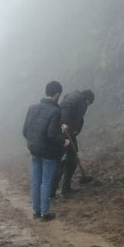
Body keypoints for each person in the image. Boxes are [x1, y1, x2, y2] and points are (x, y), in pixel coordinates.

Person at [23, 81, 71, 222]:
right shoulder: (55, 111)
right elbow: (51, 134)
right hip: (48, 153)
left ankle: (36, 211)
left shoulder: (32, 108)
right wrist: (63, 141)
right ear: (57, 94)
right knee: (46, 182)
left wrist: (34, 141)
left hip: (34, 150)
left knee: (36, 180)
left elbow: (25, 131)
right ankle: (45, 213)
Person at [52, 89, 95, 198]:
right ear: (88, 100)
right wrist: (65, 124)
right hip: (64, 133)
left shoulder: (73, 96)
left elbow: (74, 116)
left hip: (64, 132)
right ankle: (55, 191)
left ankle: (61, 189)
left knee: (69, 160)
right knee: (65, 161)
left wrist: (72, 129)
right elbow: (68, 109)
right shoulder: (80, 100)